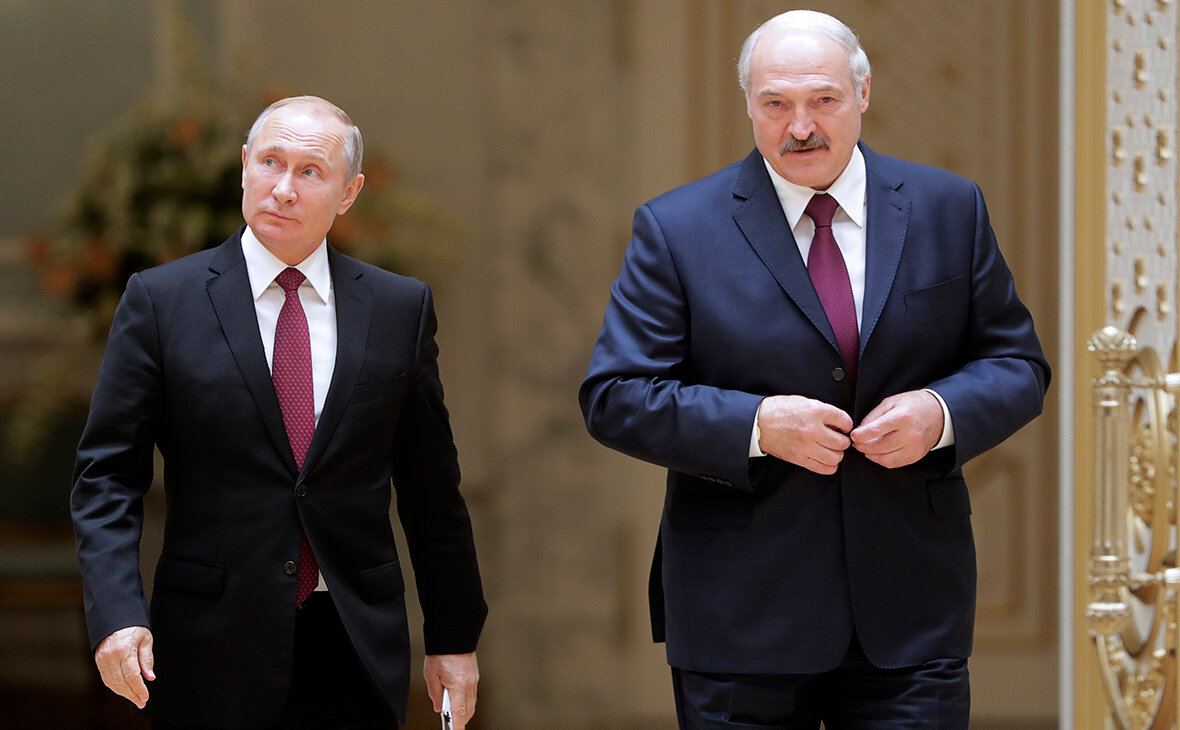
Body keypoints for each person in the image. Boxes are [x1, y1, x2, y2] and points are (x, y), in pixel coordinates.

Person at [579, 10, 1049, 729]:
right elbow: (615, 395)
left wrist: (940, 413)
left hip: (911, 613)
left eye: (823, 100)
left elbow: (1016, 363)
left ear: (863, 93)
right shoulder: (676, 228)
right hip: (739, 619)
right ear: (749, 105)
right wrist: (758, 425)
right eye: (776, 103)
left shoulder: (949, 208)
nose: (800, 126)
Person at [71, 96, 486, 730]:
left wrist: (453, 635)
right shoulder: (162, 301)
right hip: (212, 640)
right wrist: (117, 615)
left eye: (310, 171)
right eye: (270, 162)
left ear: (349, 193)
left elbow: (432, 488)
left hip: (353, 640)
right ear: (244, 166)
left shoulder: (397, 308)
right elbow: (106, 476)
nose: (283, 188)